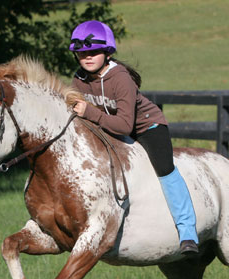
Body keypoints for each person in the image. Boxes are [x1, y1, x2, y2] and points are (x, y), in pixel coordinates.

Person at [69, 20, 199, 255]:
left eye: (94, 51)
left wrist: (89, 112)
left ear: (107, 52)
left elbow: (124, 125)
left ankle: (188, 232)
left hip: (146, 127)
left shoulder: (120, 78)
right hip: (108, 127)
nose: (87, 57)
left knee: (165, 169)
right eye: (81, 53)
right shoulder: (79, 78)